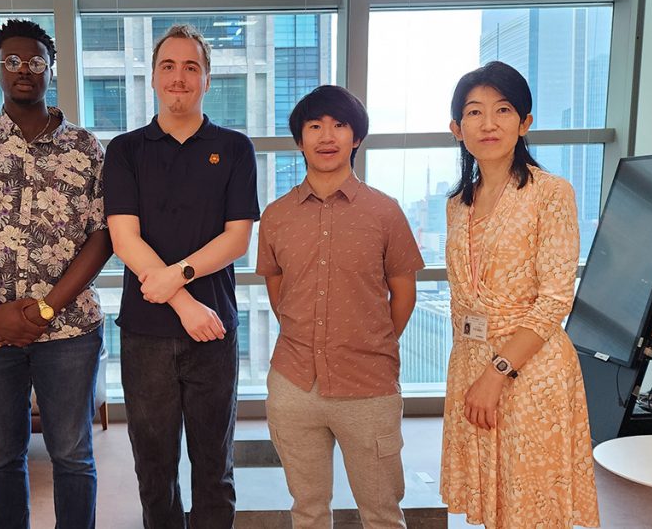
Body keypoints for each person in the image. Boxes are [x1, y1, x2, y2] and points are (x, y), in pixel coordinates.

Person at [0, 19, 111, 529]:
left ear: (51, 69)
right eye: (12, 61)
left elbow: (101, 238)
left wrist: (47, 307)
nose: (24, 71)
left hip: (71, 329)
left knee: (73, 455)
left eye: (36, 61)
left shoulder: (86, 148)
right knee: (2, 456)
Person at [104, 24, 260, 528]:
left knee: (215, 467)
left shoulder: (234, 148)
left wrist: (180, 278)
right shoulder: (125, 150)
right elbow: (125, 240)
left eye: (191, 67)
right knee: (155, 470)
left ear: (207, 80)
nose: (179, 77)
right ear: (152, 77)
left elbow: (237, 239)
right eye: (168, 66)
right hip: (147, 334)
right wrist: (183, 302)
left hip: (214, 331)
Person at [439, 61, 600, 528]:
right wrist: (469, 371)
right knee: (495, 505)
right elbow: (460, 299)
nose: (488, 123)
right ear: (456, 127)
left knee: (530, 504)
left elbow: (554, 299)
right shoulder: (457, 204)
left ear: (524, 122)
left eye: (503, 109)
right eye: (474, 112)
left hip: (528, 370)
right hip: (471, 363)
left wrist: (496, 373)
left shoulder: (551, 193)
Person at [256, 85, 424, 529]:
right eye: (314, 126)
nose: (326, 136)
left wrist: (371, 341)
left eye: (339, 125)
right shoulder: (275, 215)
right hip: (294, 384)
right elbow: (278, 289)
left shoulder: (385, 212)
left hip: (368, 386)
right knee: (307, 511)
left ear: (356, 138)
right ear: (300, 139)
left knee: (383, 513)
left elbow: (403, 293)